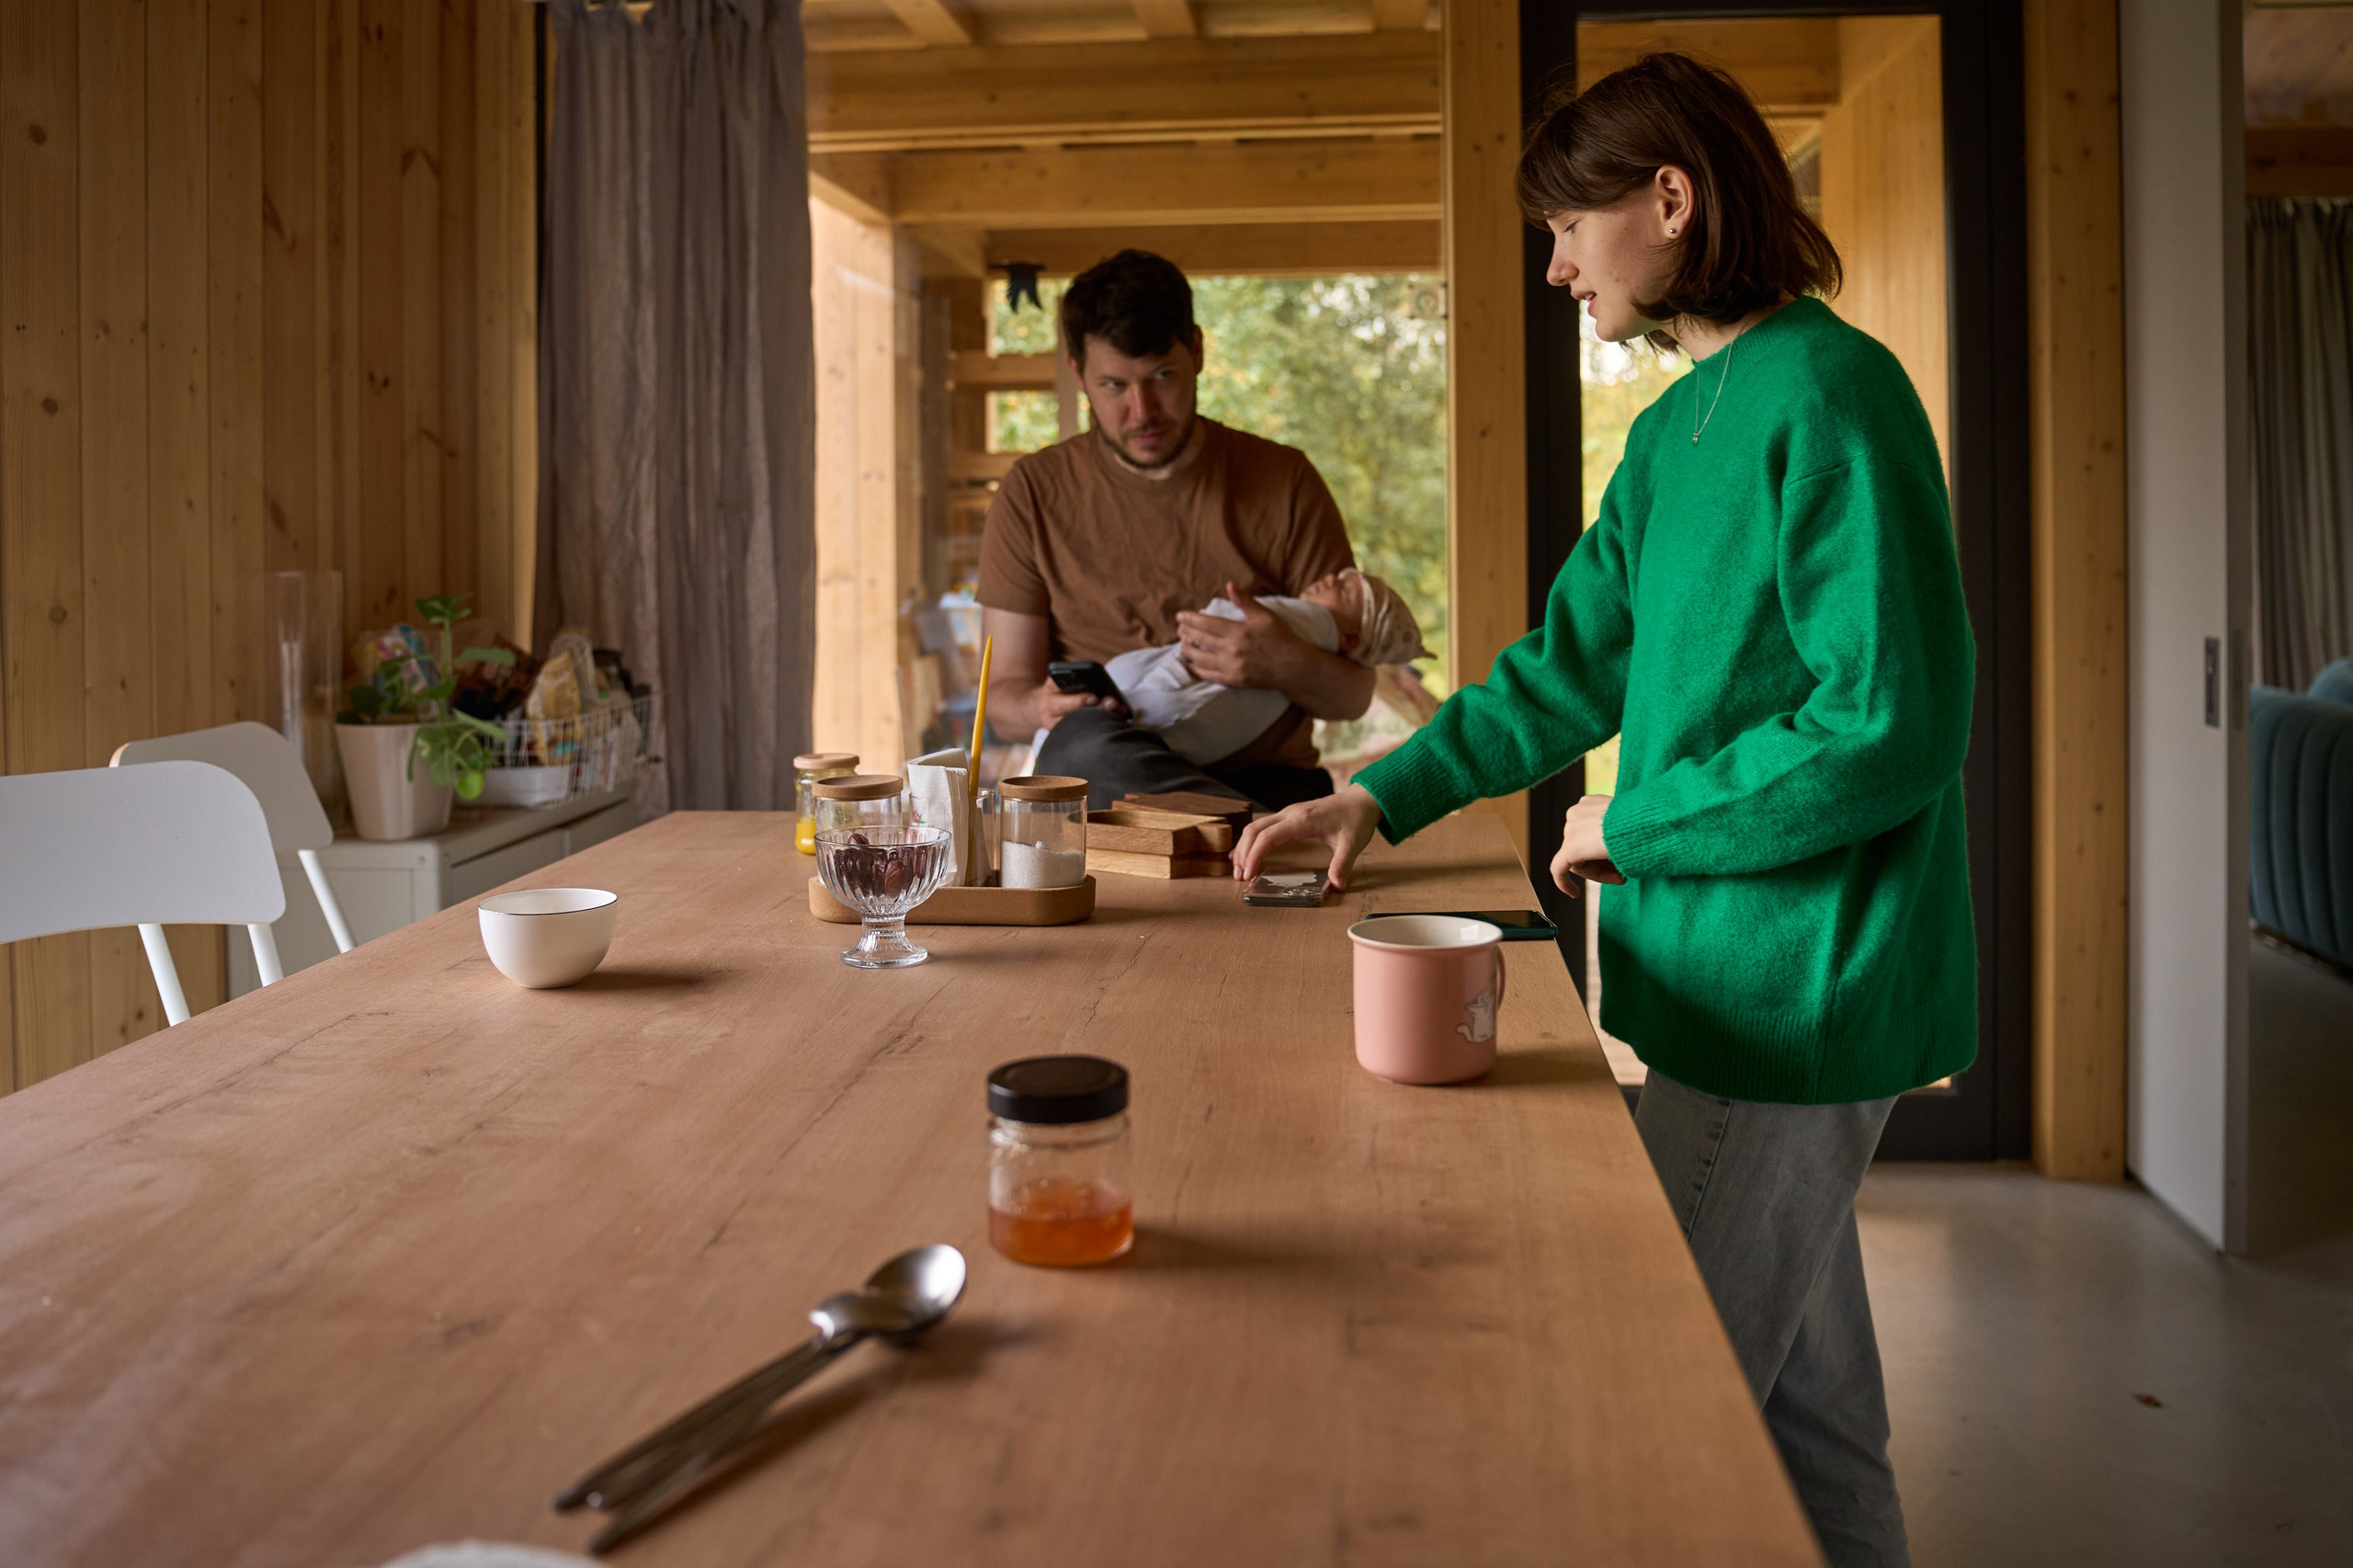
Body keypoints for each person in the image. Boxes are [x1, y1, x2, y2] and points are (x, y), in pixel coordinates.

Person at [1232, 53, 1972, 1568]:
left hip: (1806, 991)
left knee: (1654, 1414)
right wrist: (1377, 795)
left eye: (1569, 227)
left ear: (1671, 200)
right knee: (1807, 1417)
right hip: (1711, 989)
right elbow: (1559, 679)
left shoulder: (1833, 394)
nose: (1556, 264)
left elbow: (1888, 724)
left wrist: (1641, 824)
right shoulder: (1669, 438)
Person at [979, 249, 1379, 811]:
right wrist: (1040, 709)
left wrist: (1282, 662)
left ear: (1196, 350)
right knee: (1078, 748)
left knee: (1079, 761)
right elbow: (1001, 699)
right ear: (1078, 376)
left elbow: (1354, 694)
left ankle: (1248, 830)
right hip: (1105, 784)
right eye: (1114, 386)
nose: (1142, 411)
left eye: (1161, 377)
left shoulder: (1284, 481)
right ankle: (1257, 836)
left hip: (1262, 780)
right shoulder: (1031, 492)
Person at [1108, 568, 1429, 767]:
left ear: (1349, 638)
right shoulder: (1311, 628)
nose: (1330, 577)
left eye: (1344, 590)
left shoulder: (1312, 621)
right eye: (1342, 577)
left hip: (1163, 699)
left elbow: (1214, 631)